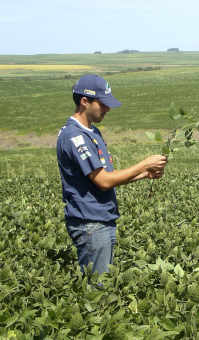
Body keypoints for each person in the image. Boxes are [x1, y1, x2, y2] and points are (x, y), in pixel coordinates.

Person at [56, 74, 168, 275]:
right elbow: (104, 181)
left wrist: (144, 174)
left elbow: (107, 176)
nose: (107, 109)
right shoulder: (75, 137)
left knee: (103, 286)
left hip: (101, 220)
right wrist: (144, 163)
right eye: (102, 104)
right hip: (90, 223)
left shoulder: (92, 132)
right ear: (84, 101)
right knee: (98, 292)